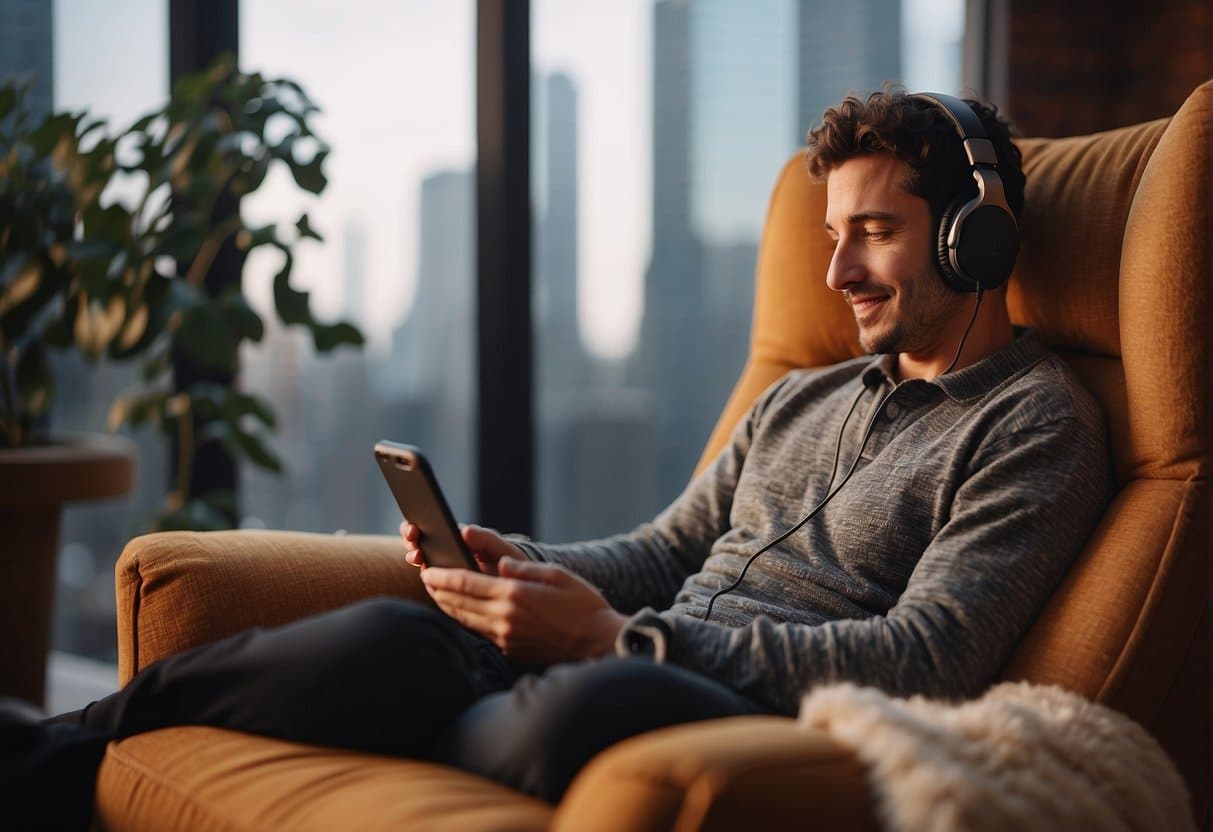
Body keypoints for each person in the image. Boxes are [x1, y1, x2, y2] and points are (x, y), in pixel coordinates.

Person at [1, 88, 1110, 829]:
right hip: (620, 654)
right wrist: (510, 562)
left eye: (873, 232)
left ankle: (449, 699)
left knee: (576, 702)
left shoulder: (1032, 424)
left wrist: (614, 638)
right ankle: (47, 753)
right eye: (831, 237)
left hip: (734, 700)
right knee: (396, 630)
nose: (837, 275)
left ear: (977, 233)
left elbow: (928, 658)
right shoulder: (800, 395)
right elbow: (670, 545)